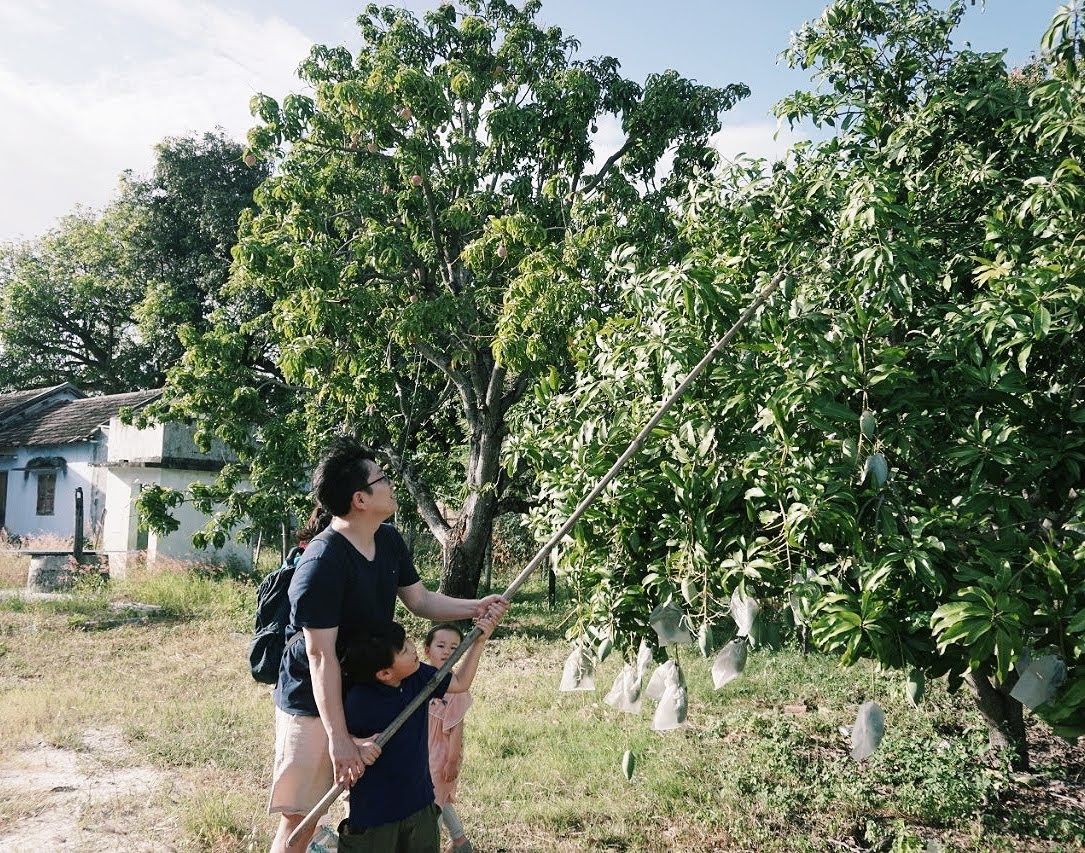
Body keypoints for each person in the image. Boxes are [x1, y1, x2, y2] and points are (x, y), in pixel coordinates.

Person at [267, 437, 509, 853]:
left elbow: (420, 601)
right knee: (302, 819)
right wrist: (340, 740)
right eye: (382, 478)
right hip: (313, 700)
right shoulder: (322, 563)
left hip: (367, 688)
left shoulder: (389, 540)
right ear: (360, 499)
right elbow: (320, 656)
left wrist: (477, 607)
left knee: (374, 806)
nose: (391, 484)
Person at [336, 610, 502, 852]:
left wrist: (479, 642)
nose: (413, 649)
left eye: (408, 642)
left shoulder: (418, 676)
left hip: (419, 803)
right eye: (404, 650)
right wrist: (357, 745)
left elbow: (460, 683)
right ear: (384, 673)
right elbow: (336, 739)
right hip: (375, 815)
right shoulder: (359, 700)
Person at [424, 624, 474, 853]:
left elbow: (456, 729)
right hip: (423, 750)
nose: (447, 651)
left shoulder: (456, 688)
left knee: (433, 803)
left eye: (454, 647)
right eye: (441, 645)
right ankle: (460, 841)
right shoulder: (421, 678)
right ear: (427, 650)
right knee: (438, 798)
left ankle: (430, 845)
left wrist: (452, 761)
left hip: (441, 753)